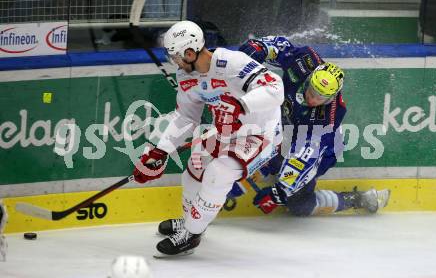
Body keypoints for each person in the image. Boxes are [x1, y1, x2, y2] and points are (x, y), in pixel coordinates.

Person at [132, 21, 284, 257]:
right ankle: (191, 222)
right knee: (194, 166)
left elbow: (276, 88)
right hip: (224, 131)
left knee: (218, 173)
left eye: (176, 56)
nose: (174, 61)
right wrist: (159, 151)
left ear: (190, 53)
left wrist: (241, 105)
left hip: (260, 134)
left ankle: (191, 235)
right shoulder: (185, 76)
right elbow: (185, 117)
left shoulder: (232, 63)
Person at [233, 36, 391, 216]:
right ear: (309, 79)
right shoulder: (306, 60)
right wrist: (259, 47)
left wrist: (280, 192)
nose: (313, 99)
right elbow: (280, 48)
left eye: (320, 97)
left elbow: (304, 156)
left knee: (299, 206)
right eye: (312, 91)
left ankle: (357, 199)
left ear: (331, 98)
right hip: (289, 130)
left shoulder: (328, 116)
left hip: (323, 150)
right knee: (261, 152)